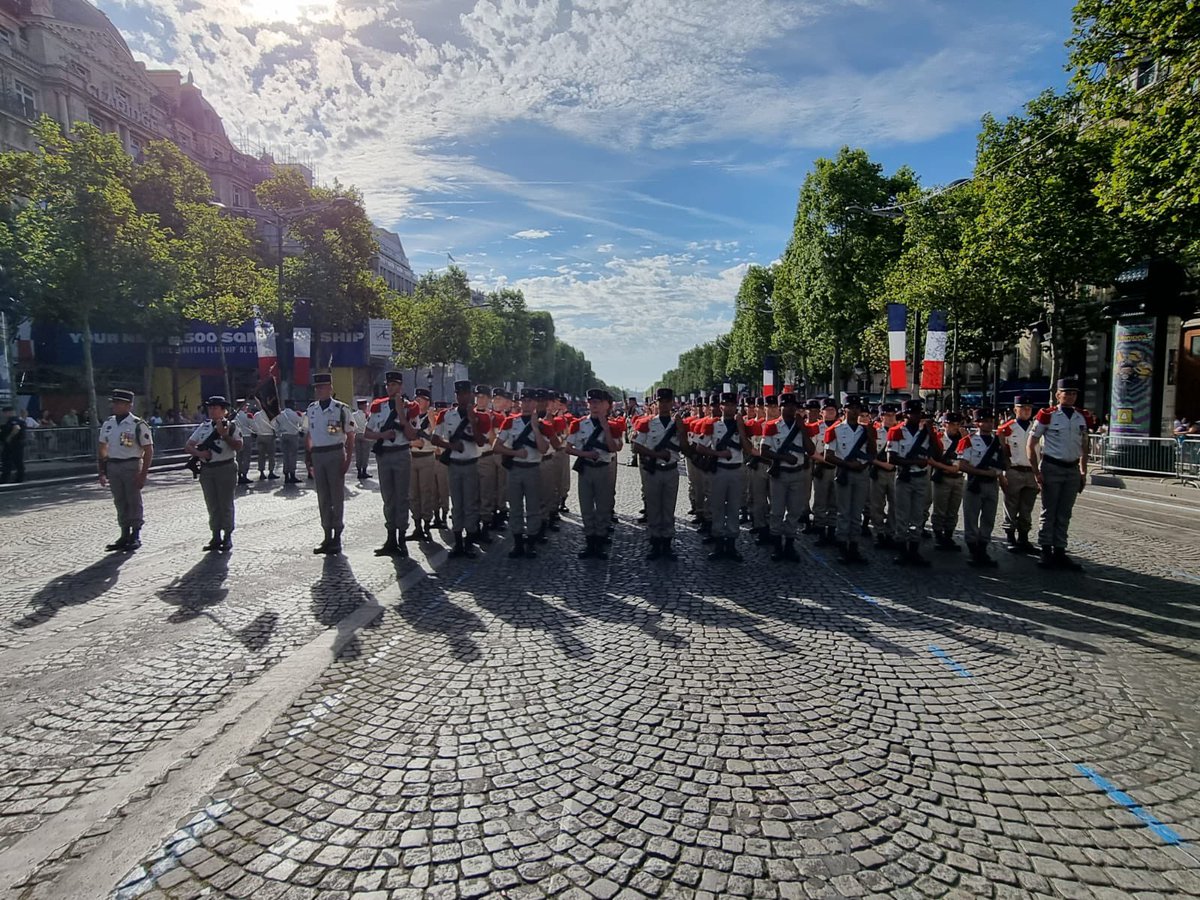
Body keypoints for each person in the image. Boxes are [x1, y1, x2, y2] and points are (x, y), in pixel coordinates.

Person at [1027, 376, 1089, 570]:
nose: (1070, 397)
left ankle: (1060, 550)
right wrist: (1036, 470)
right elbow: (1032, 443)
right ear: (1058, 395)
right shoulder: (1047, 415)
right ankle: (1045, 550)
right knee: (1049, 511)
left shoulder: (1082, 416)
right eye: (1066, 393)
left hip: (1071, 469)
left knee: (1065, 512)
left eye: (1073, 393)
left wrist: (1083, 470)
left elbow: (1084, 445)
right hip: (1052, 466)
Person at [362, 371, 419, 558]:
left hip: (401, 453)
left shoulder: (411, 407)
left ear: (401, 386)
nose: (390, 388)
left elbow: (412, 436)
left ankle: (402, 537)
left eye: (394, 385)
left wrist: (402, 415)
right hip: (384, 455)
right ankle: (390, 537)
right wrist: (383, 436)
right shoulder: (378, 406)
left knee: (402, 497)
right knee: (388, 498)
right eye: (388, 385)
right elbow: (367, 433)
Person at [432, 380, 488, 557]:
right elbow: (435, 439)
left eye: (465, 393)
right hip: (454, 464)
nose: (462, 397)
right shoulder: (446, 415)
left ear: (471, 395)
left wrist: (472, 420)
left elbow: (481, 441)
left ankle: (470, 542)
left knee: (470, 504)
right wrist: (451, 447)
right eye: (459, 394)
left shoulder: (481, 416)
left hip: (471, 463)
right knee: (457, 504)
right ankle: (457, 542)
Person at [493, 387, 551, 559]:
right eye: (524, 400)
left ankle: (531, 542)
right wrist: (515, 453)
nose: (527, 404)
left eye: (530, 401)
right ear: (520, 402)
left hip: (533, 469)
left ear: (535, 403)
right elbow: (497, 446)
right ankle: (517, 542)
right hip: (515, 468)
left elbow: (543, 448)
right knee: (516, 508)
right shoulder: (510, 422)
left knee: (533, 507)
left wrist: (534, 427)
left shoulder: (542, 424)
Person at [758, 393, 816, 563]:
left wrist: (803, 429)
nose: (791, 408)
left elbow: (811, 450)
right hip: (780, 473)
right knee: (776, 511)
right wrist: (783, 458)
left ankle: (789, 545)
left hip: (798, 473)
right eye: (787, 405)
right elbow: (764, 451)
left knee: (794, 511)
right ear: (781, 407)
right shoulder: (771, 426)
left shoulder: (802, 426)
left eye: (794, 406)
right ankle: (777, 546)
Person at [692, 392, 750, 562]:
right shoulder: (712, 425)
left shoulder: (743, 425)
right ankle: (718, 544)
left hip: (737, 469)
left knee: (733, 508)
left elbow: (747, 448)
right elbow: (700, 447)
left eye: (733, 405)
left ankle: (731, 544)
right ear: (721, 406)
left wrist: (740, 428)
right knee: (716, 507)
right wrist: (718, 453)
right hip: (719, 469)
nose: (729, 407)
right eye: (726, 404)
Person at [632, 387, 687, 560]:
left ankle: (667, 543)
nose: (664, 405)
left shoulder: (677, 423)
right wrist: (656, 455)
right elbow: (636, 446)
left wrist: (681, 429)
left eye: (667, 401)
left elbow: (685, 447)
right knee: (654, 508)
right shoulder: (647, 422)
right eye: (661, 402)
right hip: (654, 471)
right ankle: (655, 543)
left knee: (669, 508)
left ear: (672, 403)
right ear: (656, 403)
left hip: (671, 470)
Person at [567, 388, 623, 559]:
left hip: (604, 469)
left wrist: (606, 429)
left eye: (598, 403)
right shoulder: (579, 424)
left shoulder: (613, 426)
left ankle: (600, 541)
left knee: (603, 508)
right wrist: (585, 454)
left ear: (606, 405)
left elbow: (615, 448)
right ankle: (590, 542)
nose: (594, 406)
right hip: (586, 469)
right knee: (586, 507)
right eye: (591, 403)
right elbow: (568, 448)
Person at [97, 388, 154, 552]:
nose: (114, 406)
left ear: (129, 406)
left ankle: (135, 534)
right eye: (114, 403)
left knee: (133, 500)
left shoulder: (138, 425)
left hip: (131, 465)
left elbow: (148, 450)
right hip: (113, 465)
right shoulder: (108, 424)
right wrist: (101, 471)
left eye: (118, 403)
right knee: (120, 500)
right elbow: (102, 448)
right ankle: (124, 533)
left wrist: (143, 474)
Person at [887, 398, 941, 566]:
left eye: (919, 413)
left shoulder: (925, 433)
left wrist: (931, 433)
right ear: (905, 415)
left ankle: (914, 550)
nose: (916, 416)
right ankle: (902, 550)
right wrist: (913, 463)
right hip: (904, 477)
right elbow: (892, 458)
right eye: (913, 413)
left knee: (918, 516)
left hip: (921, 477)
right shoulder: (896, 431)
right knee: (902, 515)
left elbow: (938, 454)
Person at [186, 396, 243, 552]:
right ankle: (215, 535)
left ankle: (227, 536)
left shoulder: (231, 427)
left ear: (224, 410)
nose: (212, 410)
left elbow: (238, 446)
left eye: (215, 408)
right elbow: (189, 445)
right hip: (207, 470)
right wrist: (200, 453)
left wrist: (224, 435)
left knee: (225, 503)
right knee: (212, 504)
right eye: (210, 408)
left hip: (226, 467)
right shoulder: (204, 427)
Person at [306, 373, 355, 554]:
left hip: (335, 453)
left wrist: (348, 459)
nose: (319, 390)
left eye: (323, 387)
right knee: (323, 498)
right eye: (317, 388)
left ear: (330, 388)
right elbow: (309, 435)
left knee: (336, 497)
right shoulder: (311, 409)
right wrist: (308, 458)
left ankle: (337, 536)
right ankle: (327, 534)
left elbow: (350, 435)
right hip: (318, 455)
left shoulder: (341, 409)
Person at [824, 395, 875, 565]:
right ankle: (842, 546)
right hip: (844, 472)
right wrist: (848, 464)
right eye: (850, 407)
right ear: (844, 410)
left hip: (861, 473)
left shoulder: (865, 430)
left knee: (856, 512)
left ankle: (854, 546)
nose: (854, 411)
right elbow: (828, 456)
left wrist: (870, 437)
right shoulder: (835, 430)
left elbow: (872, 452)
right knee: (844, 512)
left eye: (856, 408)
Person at [957, 408, 1007, 568]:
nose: (988, 423)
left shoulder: (997, 441)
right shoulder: (968, 440)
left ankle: (983, 547)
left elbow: (1004, 462)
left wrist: (998, 473)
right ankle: (973, 550)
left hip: (991, 484)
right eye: (984, 421)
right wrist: (981, 472)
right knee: (971, 517)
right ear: (977, 423)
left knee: (989, 518)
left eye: (990, 421)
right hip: (974, 483)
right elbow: (962, 465)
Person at [997, 395, 1039, 552]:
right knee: (1011, 505)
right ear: (1015, 410)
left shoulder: (1036, 427)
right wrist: (1004, 471)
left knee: (1027, 507)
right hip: (1014, 470)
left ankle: (1024, 537)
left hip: (1031, 471)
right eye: (1023, 408)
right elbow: (1002, 451)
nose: (1027, 411)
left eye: (1029, 408)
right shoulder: (1006, 429)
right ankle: (1010, 537)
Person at [929, 412, 966, 553]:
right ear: (945, 424)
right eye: (952, 424)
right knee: (940, 509)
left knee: (953, 509)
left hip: (958, 477)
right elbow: (932, 460)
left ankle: (949, 535)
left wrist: (964, 437)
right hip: (943, 477)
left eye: (958, 424)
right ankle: (938, 535)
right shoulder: (938, 439)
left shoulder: (963, 439)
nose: (955, 427)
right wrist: (947, 468)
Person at [408, 389, 438, 543]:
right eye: (417, 399)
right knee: (413, 494)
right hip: (411, 457)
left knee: (426, 492)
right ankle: (417, 524)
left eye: (422, 399)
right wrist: (412, 442)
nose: (419, 402)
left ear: (428, 402)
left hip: (426, 457)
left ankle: (426, 523)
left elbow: (436, 435)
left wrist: (432, 419)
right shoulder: (410, 417)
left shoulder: (431, 418)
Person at [869, 402, 900, 548]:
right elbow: (869, 454)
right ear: (881, 417)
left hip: (896, 472)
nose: (890, 418)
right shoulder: (875, 432)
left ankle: (891, 532)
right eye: (887, 415)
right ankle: (879, 532)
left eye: (893, 415)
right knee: (877, 505)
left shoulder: (900, 432)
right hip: (879, 471)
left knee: (896, 504)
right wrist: (882, 464)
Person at [809, 399, 840, 546]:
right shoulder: (816, 428)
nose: (830, 412)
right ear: (821, 412)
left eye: (833, 409)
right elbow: (811, 451)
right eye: (827, 409)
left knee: (835, 503)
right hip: (822, 467)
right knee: (820, 503)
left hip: (838, 468)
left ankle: (832, 533)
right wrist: (825, 461)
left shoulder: (841, 427)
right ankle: (821, 533)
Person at [275, 400, 305, 484]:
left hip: (283, 435)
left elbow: (276, 425)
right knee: (292, 456)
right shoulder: (295, 414)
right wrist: (302, 431)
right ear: (292, 405)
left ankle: (286, 476)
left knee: (285, 456)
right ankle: (292, 474)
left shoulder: (280, 414)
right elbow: (303, 423)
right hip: (293, 435)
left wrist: (278, 433)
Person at [253, 402, 278, 481]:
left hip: (260, 436)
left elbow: (254, 425)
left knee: (261, 456)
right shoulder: (270, 414)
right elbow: (274, 425)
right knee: (271, 455)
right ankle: (271, 471)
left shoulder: (256, 415)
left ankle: (261, 472)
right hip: (269, 435)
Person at [1, 406, 25, 484]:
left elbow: (16, 428)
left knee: (17, 461)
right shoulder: (11, 420)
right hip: (12, 444)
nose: (4, 415)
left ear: (9, 412)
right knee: (7, 461)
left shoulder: (15, 420)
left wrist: (9, 437)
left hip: (15, 444)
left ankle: (19, 478)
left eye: (5, 413)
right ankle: (5, 479)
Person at [233, 400, 253, 485]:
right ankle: (244, 474)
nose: (247, 407)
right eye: (246, 406)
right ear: (243, 406)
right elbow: (252, 425)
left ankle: (239, 474)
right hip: (246, 437)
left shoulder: (233, 416)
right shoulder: (247, 416)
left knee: (238, 458)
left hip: (236, 438)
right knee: (246, 457)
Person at [351, 398, 372, 480]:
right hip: (365, 435)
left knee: (358, 454)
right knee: (365, 454)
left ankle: (359, 471)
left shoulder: (353, 415)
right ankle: (364, 471)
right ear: (363, 406)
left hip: (356, 435)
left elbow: (352, 426)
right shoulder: (367, 415)